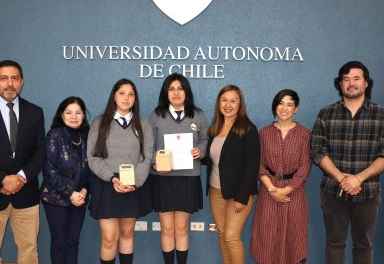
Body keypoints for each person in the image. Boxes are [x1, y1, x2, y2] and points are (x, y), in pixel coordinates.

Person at [311, 61, 384, 264]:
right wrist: (343, 178)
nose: (351, 83)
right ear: (340, 84)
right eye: (346, 79)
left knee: (364, 244)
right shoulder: (326, 114)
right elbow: (317, 151)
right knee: (334, 243)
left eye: (356, 78)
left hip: (368, 191)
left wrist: (358, 178)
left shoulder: (381, 114)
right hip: (333, 191)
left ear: (366, 83)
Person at [0, 60, 45, 264]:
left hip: (25, 194)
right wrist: (1, 180)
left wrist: (19, 178)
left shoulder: (35, 112)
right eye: (3, 78)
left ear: (22, 82)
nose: (9, 84)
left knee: (29, 252)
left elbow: (40, 151)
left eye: (14, 78)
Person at [87, 79, 154, 264]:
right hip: (107, 183)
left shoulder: (143, 123)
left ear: (135, 98)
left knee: (127, 234)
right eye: (122, 93)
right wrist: (112, 179)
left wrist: (134, 182)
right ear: (114, 96)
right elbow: (93, 157)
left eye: (131, 94)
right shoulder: (100, 122)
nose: (126, 98)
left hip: (132, 184)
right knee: (109, 238)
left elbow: (146, 157)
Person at [149, 73, 208, 264]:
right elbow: (147, 146)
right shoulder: (156, 115)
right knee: (167, 229)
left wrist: (200, 150)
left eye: (180, 88)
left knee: (182, 229)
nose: (176, 93)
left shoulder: (197, 115)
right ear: (166, 93)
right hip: (163, 178)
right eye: (171, 89)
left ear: (186, 92)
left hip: (188, 178)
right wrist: (154, 162)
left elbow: (205, 140)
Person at [250, 89, 311, 264]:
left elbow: (305, 166)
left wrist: (287, 189)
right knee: (267, 237)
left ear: (296, 109)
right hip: (269, 190)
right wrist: (271, 188)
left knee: (294, 236)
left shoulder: (304, 134)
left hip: (295, 192)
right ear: (275, 106)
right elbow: (259, 164)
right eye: (281, 103)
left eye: (289, 104)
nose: (284, 108)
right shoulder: (264, 133)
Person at [203, 85, 260, 264]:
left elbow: (252, 165)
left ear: (239, 104)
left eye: (233, 101)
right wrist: (195, 155)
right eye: (224, 100)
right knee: (222, 235)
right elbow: (215, 159)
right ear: (219, 103)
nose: (228, 105)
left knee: (231, 237)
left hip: (238, 194)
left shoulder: (248, 129)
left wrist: (242, 196)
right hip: (215, 191)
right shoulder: (215, 128)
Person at [40, 96, 92, 264]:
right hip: (56, 198)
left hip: (80, 198)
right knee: (59, 243)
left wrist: (85, 190)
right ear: (61, 115)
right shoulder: (54, 135)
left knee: (73, 242)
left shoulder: (87, 137)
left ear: (83, 115)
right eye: (69, 112)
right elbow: (49, 171)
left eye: (78, 112)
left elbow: (92, 168)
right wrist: (71, 193)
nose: (74, 116)